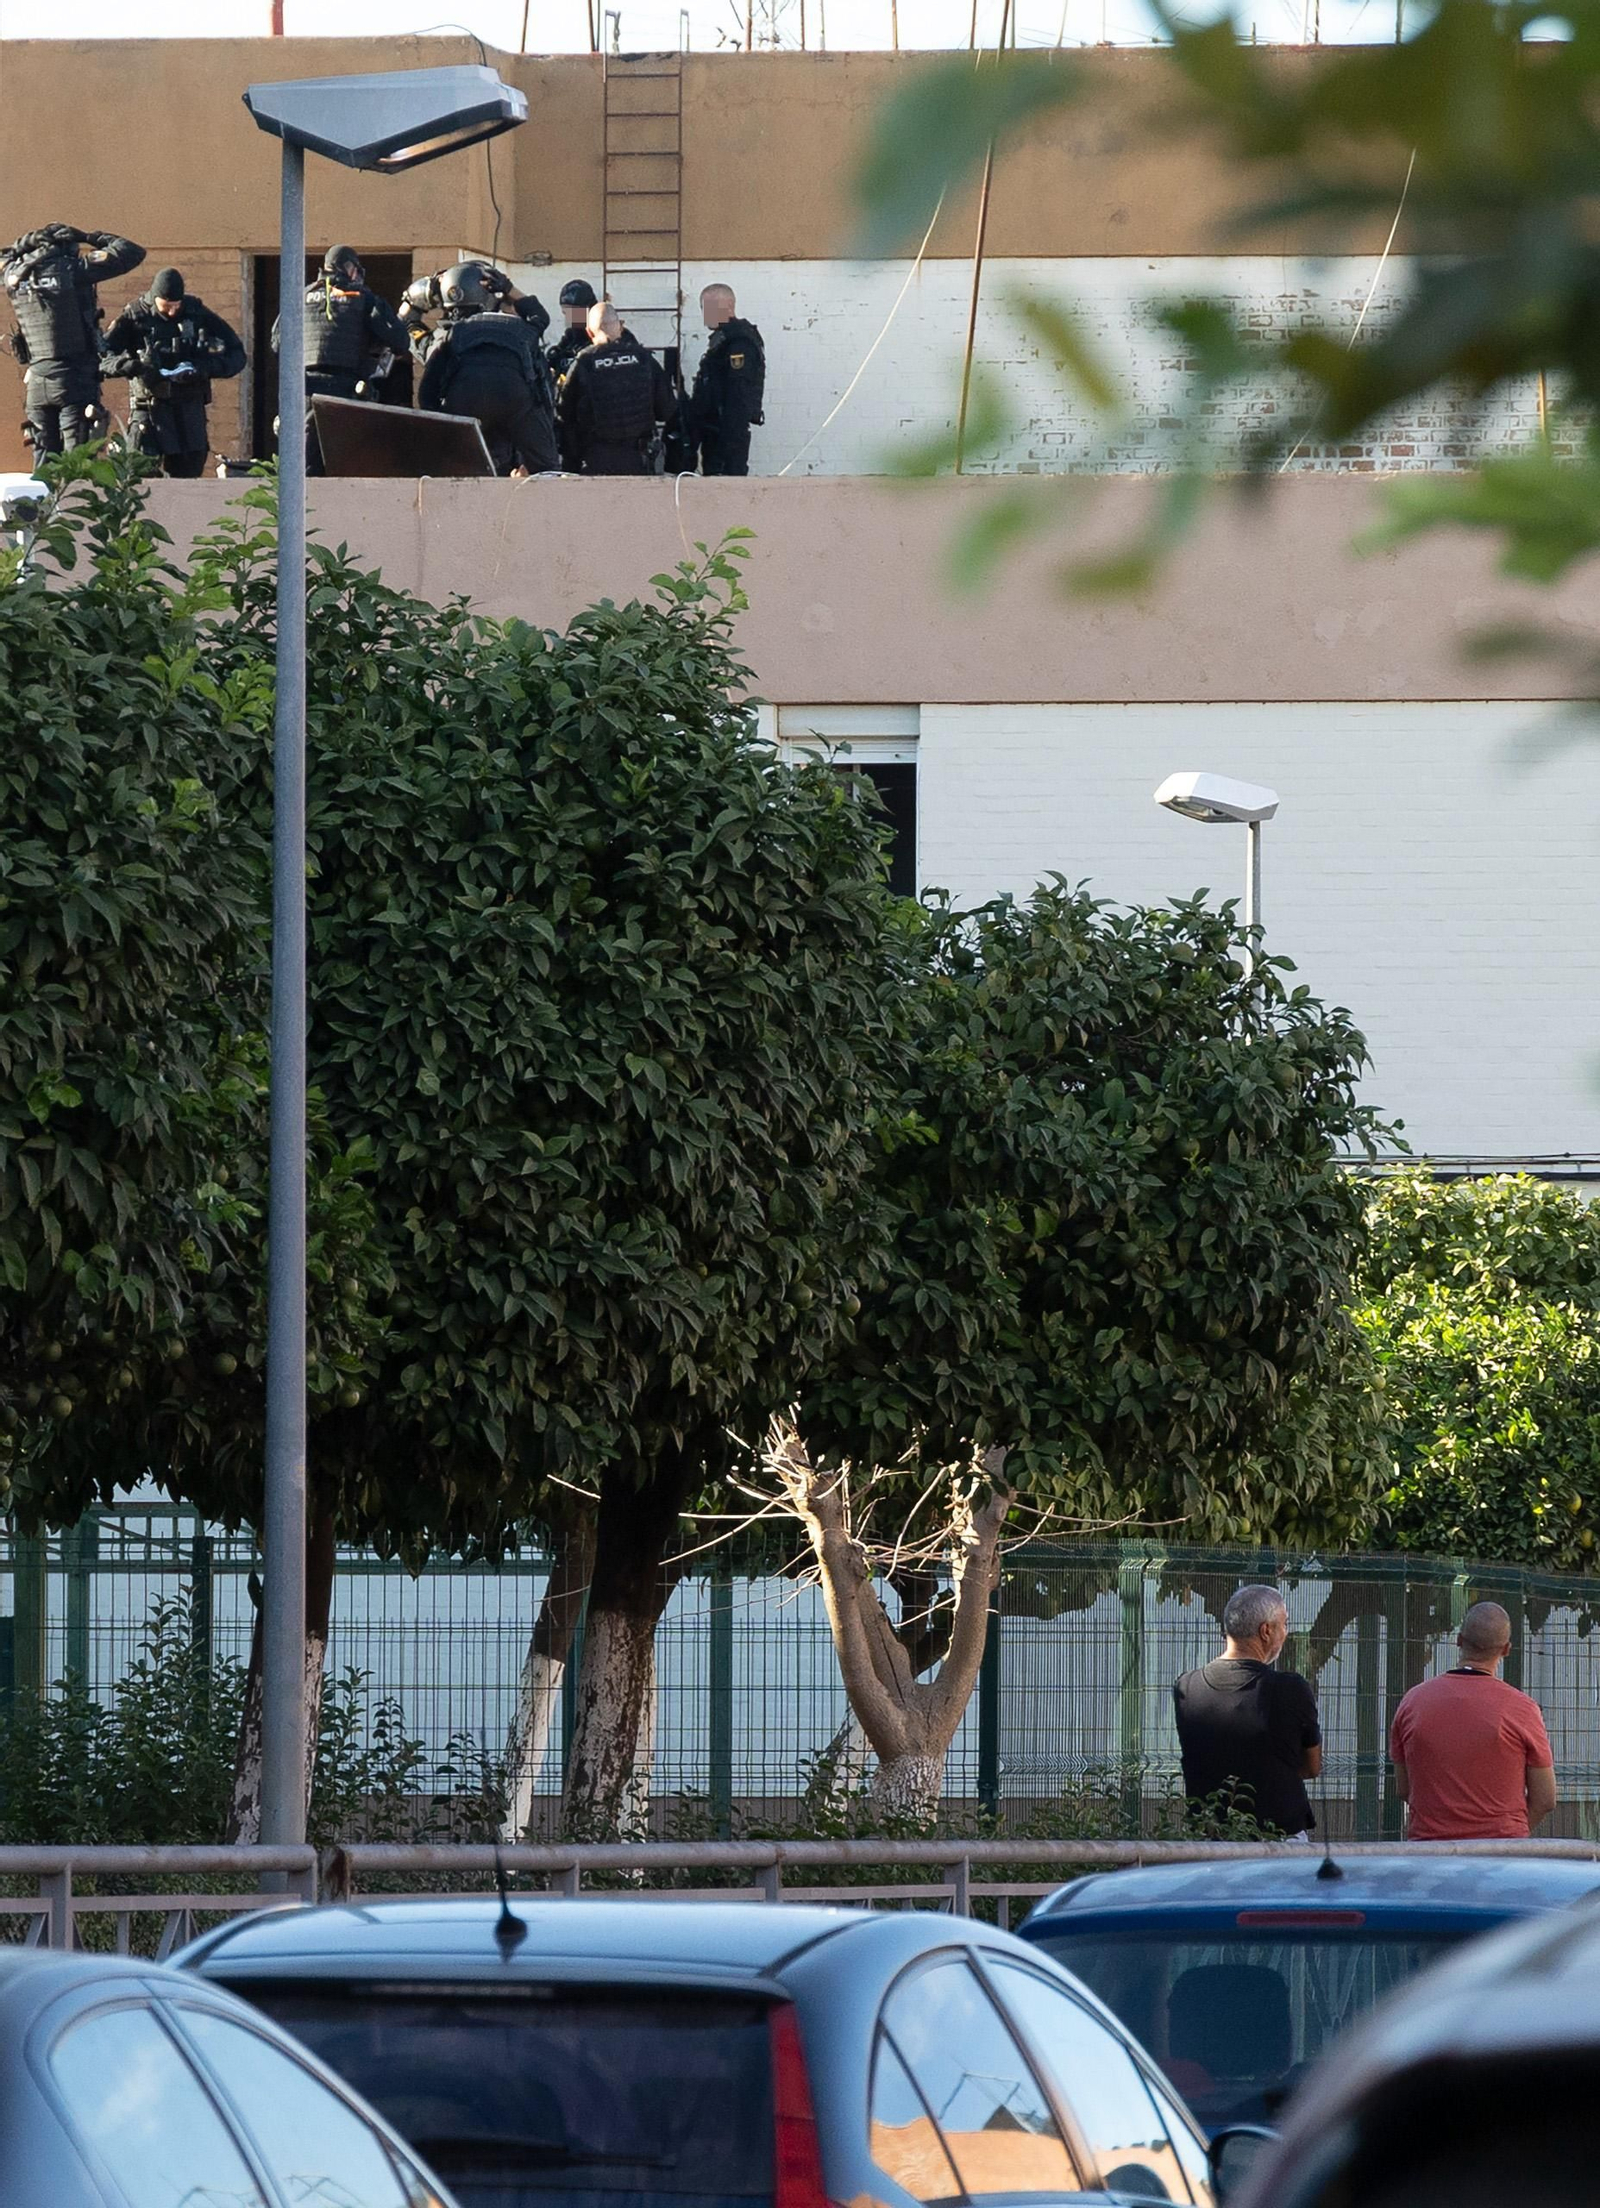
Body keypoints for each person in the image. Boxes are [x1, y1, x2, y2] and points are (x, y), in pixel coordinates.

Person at [1390, 1601, 1557, 1840]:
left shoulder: (1412, 1702)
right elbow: (1545, 1799)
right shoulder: (1523, 1709)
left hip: (1429, 1850)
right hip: (1501, 1852)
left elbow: (1404, 1788)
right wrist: (1510, 1835)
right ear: (1506, 1649)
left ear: (1459, 1640)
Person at [1172, 1584, 1322, 1838]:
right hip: (1277, 1836)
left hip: (1210, 1836)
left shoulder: (1186, 1687)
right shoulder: (1290, 1688)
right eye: (1284, 1624)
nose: (1286, 1633)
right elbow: (1311, 1767)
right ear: (1266, 1631)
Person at [2, 223, 145, 456]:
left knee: (44, 462)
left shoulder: (14, 274)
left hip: (37, 382)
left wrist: (28, 242)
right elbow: (132, 251)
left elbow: (5, 256)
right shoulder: (73, 270)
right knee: (77, 462)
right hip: (74, 380)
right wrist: (88, 237)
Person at [272, 244, 408, 475]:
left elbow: (277, 344)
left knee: (306, 467)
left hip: (306, 391)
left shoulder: (299, 298)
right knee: (349, 466)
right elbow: (400, 341)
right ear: (350, 269)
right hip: (348, 393)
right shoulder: (363, 298)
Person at [100, 267, 246, 479]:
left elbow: (237, 355)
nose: (172, 312)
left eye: (177, 306)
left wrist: (204, 368)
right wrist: (129, 366)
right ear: (155, 299)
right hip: (150, 409)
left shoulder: (196, 313)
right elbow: (102, 356)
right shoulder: (135, 316)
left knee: (189, 472)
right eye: (166, 306)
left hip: (189, 407)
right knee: (140, 472)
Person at [417, 261, 558, 476]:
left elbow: (427, 393)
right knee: (547, 469)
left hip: (464, 402)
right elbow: (540, 317)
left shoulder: (450, 334)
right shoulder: (520, 327)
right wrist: (508, 288)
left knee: (448, 469)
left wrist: (444, 426)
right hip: (515, 401)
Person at [557, 301, 675, 476]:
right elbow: (666, 411)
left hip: (596, 461)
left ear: (589, 332)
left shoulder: (583, 363)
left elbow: (564, 416)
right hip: (640, 460)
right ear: (620, 327)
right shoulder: (645, 359)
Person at [686, 282, 765, 477]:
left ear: (729, 306)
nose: (707, 314)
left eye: (711, 307)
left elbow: (739, 394)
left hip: (727, 435)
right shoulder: (722, 340)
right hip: (714, 431)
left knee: (727, 486)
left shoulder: (739, 343)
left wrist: (729, 438)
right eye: (704, 308)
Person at [546, 277, 598, 389]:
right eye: (565, 313)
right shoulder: (571, 336)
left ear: (588, 308)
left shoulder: (604, 335)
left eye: (572, 312)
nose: (569, 318)